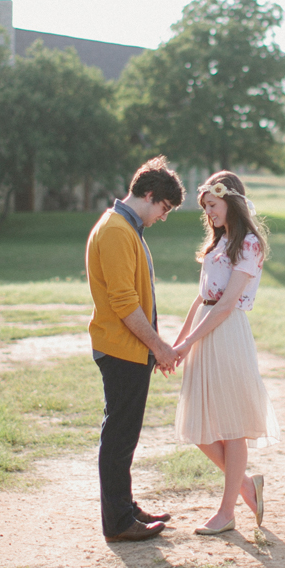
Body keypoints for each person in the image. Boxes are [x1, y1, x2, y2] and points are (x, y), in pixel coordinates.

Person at [173, 171, 279, 535]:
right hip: (206, 330)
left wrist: (190, 342)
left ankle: (226, 512)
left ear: (229, 201)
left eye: (213, 206)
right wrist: (180, 340)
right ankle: (247, 486)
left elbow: (225, 305)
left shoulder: (249, 244)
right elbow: (202, 298)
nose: (209, 214)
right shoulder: (219, 243)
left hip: (227, 332)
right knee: (200, 427)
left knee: (232, 427)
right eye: (205, 208)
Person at [86, 157, 185, 543]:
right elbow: (125, 303)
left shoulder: (127, 228)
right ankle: (118, 522)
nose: (162, 217)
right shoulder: (115, 230)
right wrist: (159, 346)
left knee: (124, 435)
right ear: (149, 195)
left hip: (132, 349)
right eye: (163, 208)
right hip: (121, 349)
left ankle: (124, 509)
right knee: (119, 437)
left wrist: (152, 349)